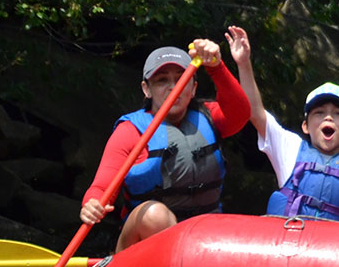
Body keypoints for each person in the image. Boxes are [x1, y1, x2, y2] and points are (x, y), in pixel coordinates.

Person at [80, 39, 251, 252]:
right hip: (146, 241)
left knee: (237, 226)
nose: (173, 87)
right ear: (147, 89)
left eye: (181, 79)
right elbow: (101, 188)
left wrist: (217, 67)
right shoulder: (130, 131)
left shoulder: (209, 116)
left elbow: (241, 113)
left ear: (193, 87)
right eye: (162, 81)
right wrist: (92, 204)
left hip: (203, 238)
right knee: (155, 216)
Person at [228, 25, 339, 224]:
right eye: (319, 113)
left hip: (332, 250)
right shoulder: (290, 148)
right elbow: (255, 113)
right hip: (289, 244)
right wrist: (244, 63)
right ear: (305, 126)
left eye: (338, 113)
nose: (328, 118)